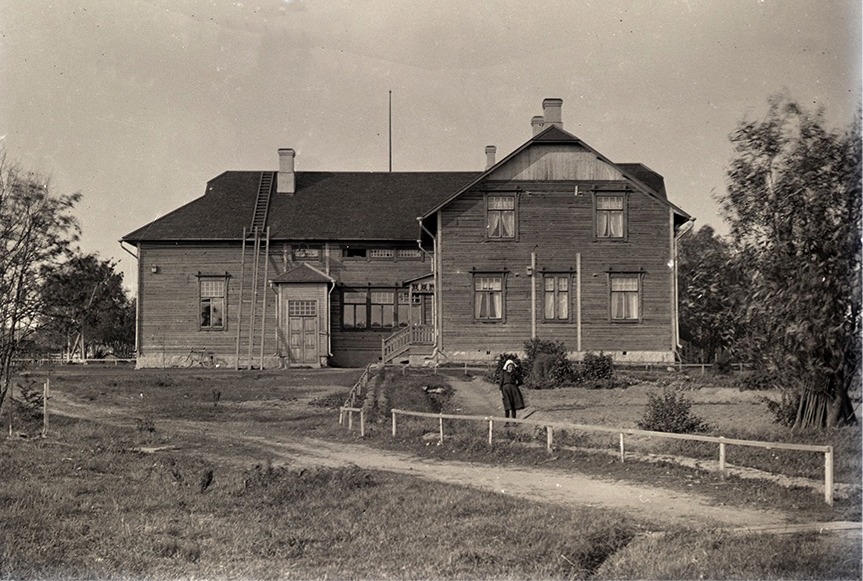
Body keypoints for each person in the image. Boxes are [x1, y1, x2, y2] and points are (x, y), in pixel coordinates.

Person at [499, 359, 525, 424]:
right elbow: (500, 384)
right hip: (505, 390)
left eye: (511, 367)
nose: (510, 368)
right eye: (509, 367)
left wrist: (515, 386)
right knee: (507, 406)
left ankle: (514, 422)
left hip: (513, 390)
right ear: (507, 367)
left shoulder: (515, 373)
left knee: (513, 406)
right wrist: (501, 393)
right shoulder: (503, 373)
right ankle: (506, 422)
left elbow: (520, 382)